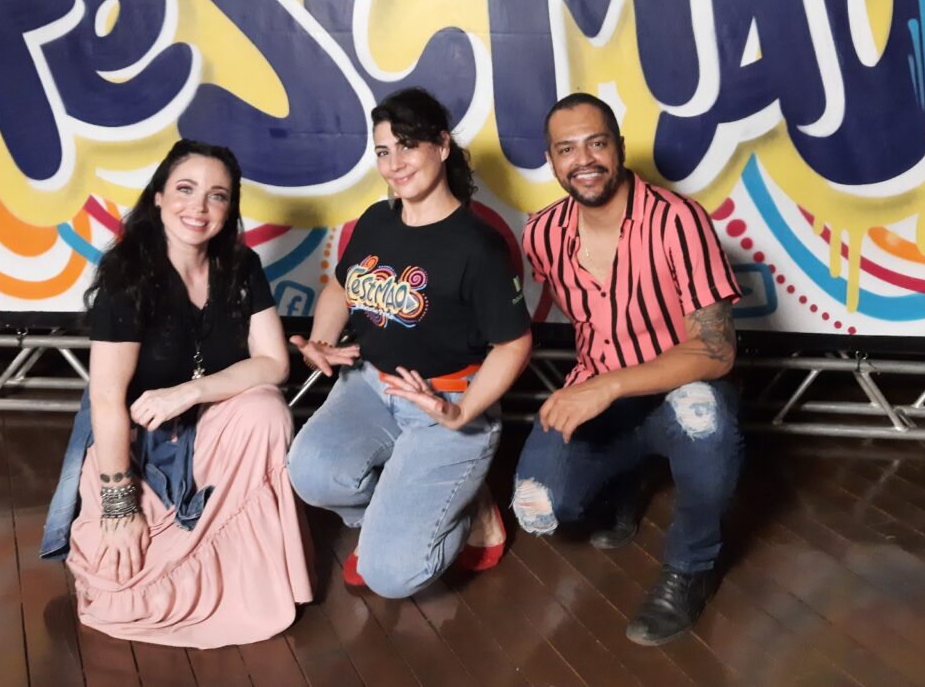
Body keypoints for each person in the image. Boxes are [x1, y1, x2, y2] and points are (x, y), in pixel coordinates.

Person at [40, 139, 312, 648]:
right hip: (137, 442)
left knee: (266, 411)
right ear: (159, 197)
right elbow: (106, 400)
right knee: (119, 593)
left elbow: (274, 363)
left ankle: (243, 574)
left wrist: (190, 392)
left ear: (229, 208)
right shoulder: (128, 275)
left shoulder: (241, 266)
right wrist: (120, 507)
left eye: (217, 196)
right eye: (185, 189)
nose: (199, 207)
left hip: (212, 427)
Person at [512, 93, 743, 646]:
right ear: (551, 160)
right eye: (567, 149)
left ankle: (691, 567)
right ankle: (627, 476)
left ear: (618, 147)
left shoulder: (678, 220)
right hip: (602, 396)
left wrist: (609, 384)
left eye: (596, 143)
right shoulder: (541, 233)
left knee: (704, 419)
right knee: (539, 505)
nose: (583, 160)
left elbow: (717, 351)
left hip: (678, 390)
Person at [287, 88, 532, 598]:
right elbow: (340, 287)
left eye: (408, 145)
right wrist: (323, 340)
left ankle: (467, 508)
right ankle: (403, 511)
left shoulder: (478, 246)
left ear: (441, 146)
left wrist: (462, 413)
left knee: (390, 576)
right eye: (383, 151)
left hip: (446, 401)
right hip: (370, 386)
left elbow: (514, 344)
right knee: (311, 474)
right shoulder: (377, 221)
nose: (394, 164)